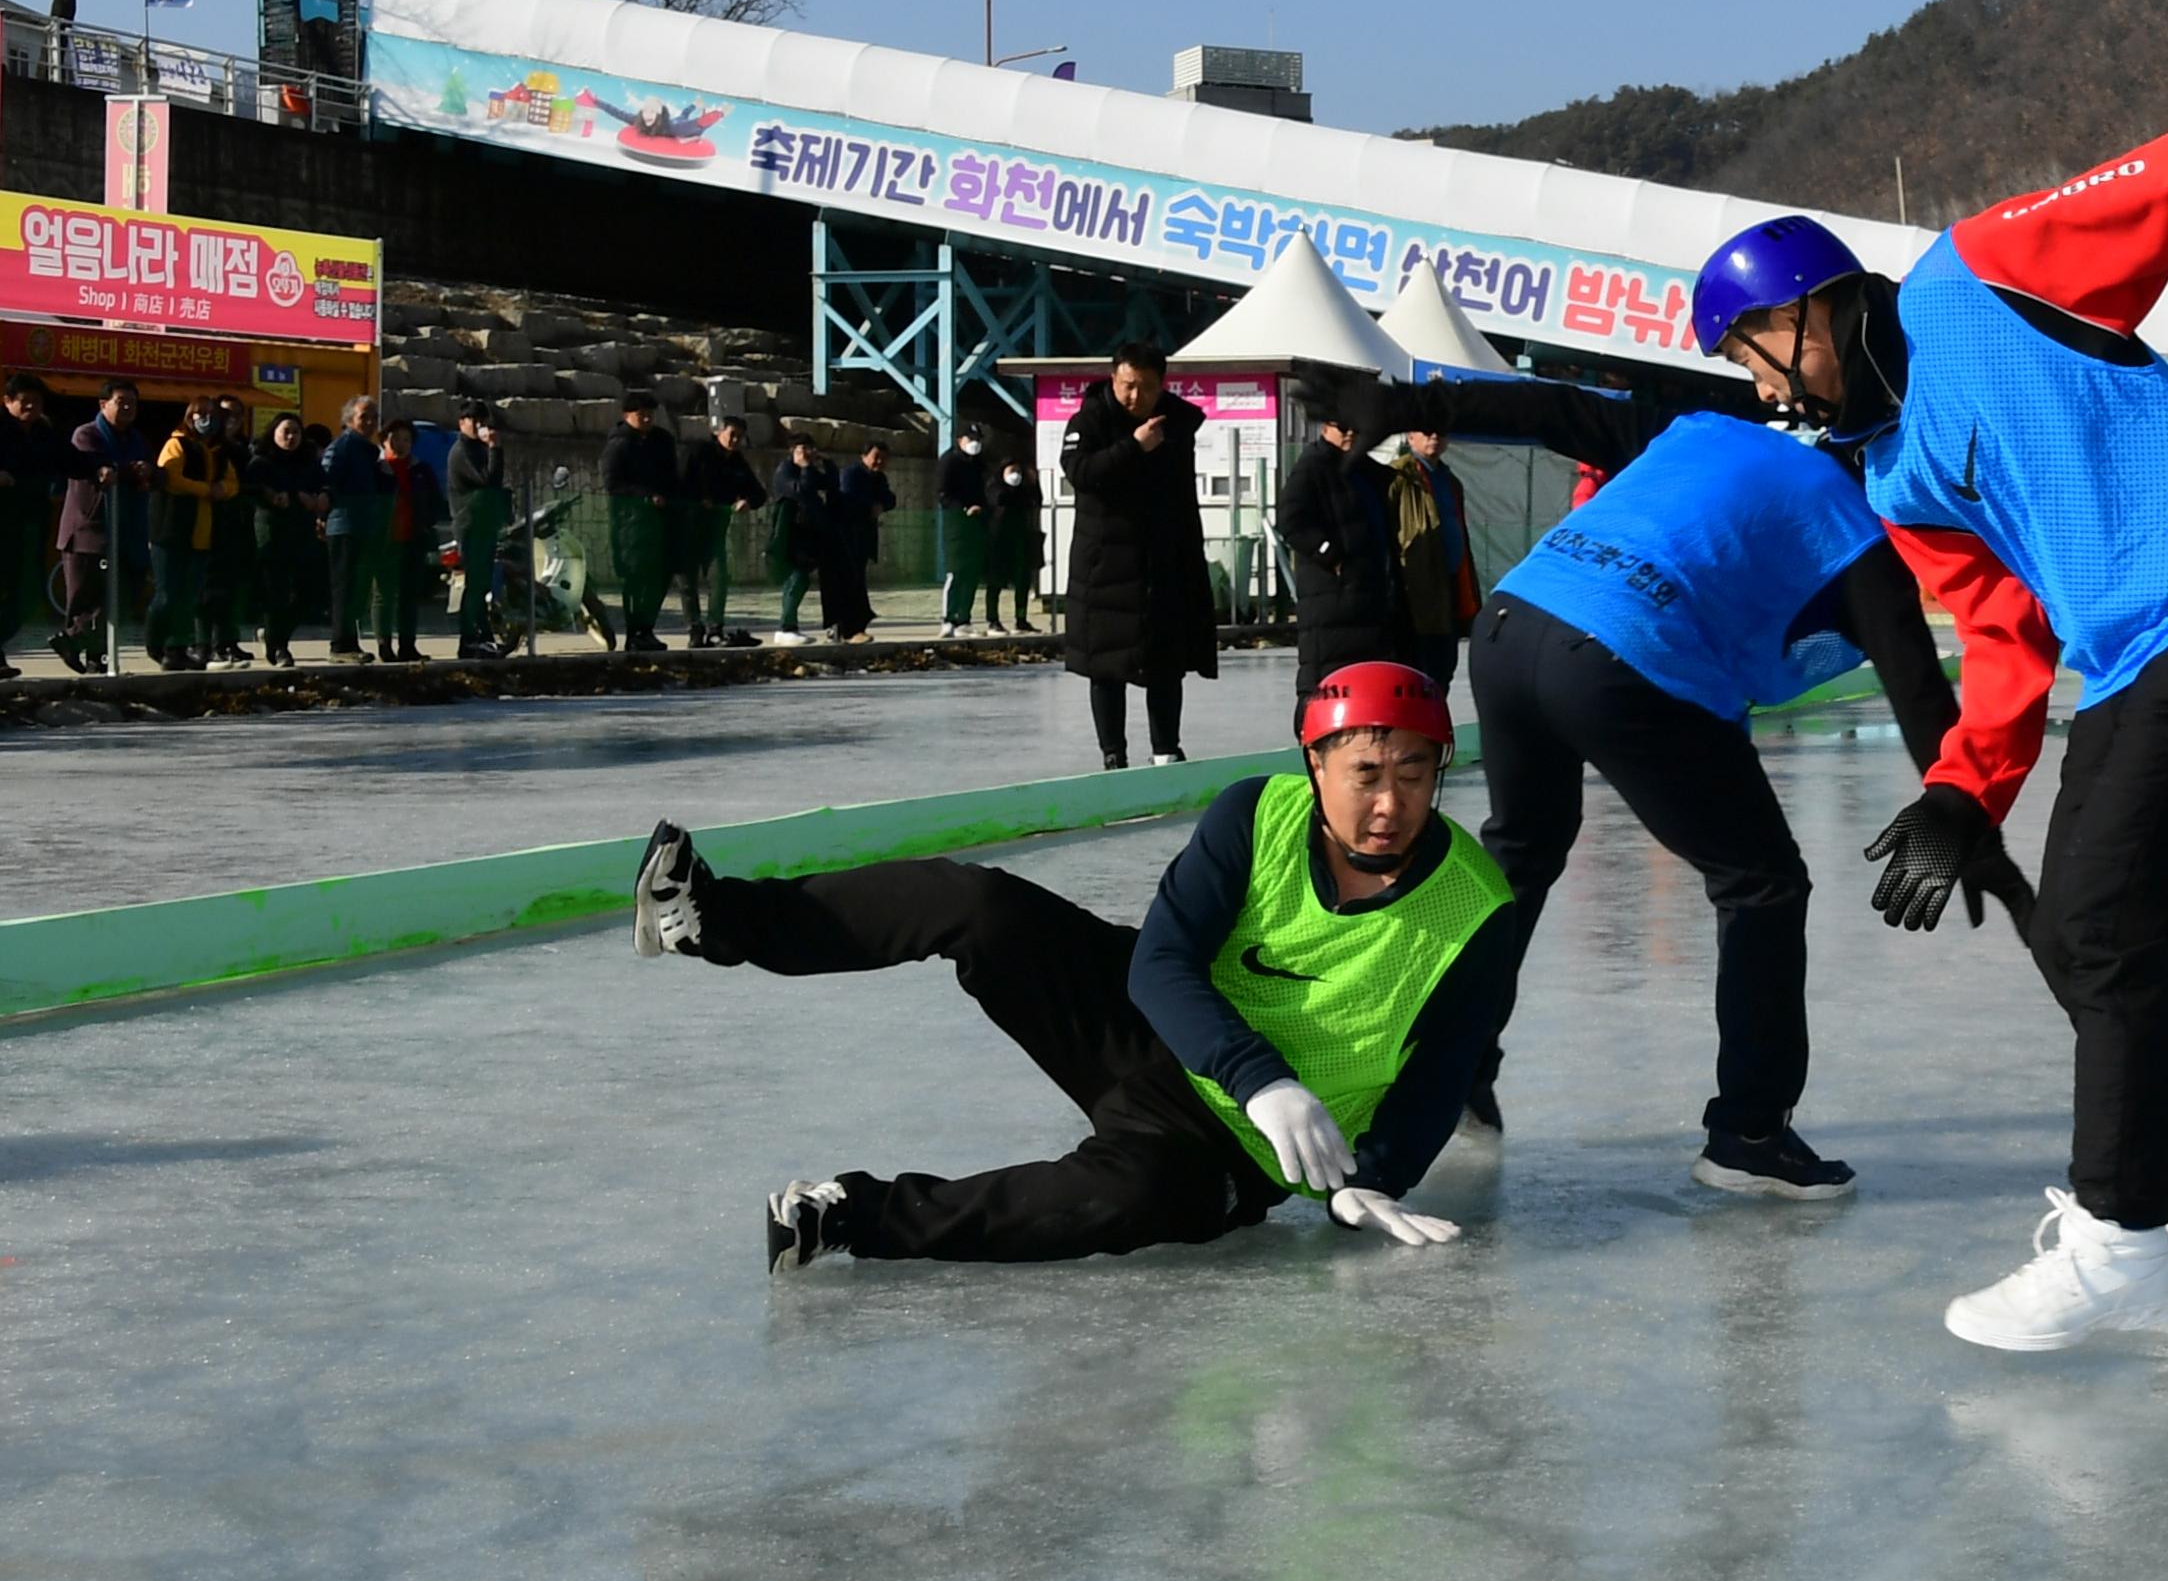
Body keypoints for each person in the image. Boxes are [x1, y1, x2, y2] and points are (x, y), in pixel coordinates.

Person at [1698, 0, 2168, 1350]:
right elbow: (2001, 639)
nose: (1764, 392)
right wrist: (1962, 792)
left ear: (1811, 311)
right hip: (2132, 653)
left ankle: (2120, 1237)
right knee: (2075, 929)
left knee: (2106, 924)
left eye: (1756, 357)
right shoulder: (1893, 471)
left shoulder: (1978, 273)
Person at [631, 661, 1518, 1267]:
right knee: (980, 907)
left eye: (1414, 772)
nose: (1388, 803)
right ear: (1314, 763)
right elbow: (1162, 962)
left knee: (1127, 1201)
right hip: (1148, 1033)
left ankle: (849, 1219)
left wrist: (1374, 1180)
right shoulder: (1256, 815)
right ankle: (714, 918)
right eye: (1365, 772)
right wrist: (1260, 1075)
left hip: (1235, 1152)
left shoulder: (1475, 909)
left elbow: (1443, 1065)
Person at [1339, 368, 1988, 1185]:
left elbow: (1556, 405)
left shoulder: (1710, 432)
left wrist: (1411, 403)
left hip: (1510, 624)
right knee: (1762, 885)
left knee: (1523, 852)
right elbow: (1918, 685)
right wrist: (1958, 803)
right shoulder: (1857, 531)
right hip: (1615, 653)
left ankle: (1452, 1069)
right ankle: (1748, 1133)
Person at [1061, 341, 1222, 766]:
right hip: (1106, 569)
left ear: (1161, 386)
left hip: (1163, 564)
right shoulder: (1089, 420)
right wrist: (1133, 446)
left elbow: (1184, 500)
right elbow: (1081, 473)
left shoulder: (1177, 425)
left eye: (1147, 388)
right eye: (1128, 386)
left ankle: (1166, 751)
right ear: (1114, 378)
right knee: (1106, 668)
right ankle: (1113, 755)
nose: (1136, 397)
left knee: (1166, 665)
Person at [1277, 400, 1403, 699]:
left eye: (1356, 429)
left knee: (1366, 677)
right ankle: (1311, 731)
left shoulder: (1363, 470)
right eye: (1342, 428)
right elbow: (1290, 519)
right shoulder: (1313, 466)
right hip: (1333, 595)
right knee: (1324, 676)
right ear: (1325, 427)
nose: (1350, 434)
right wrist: (1329, 555)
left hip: (1368, 594)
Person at [1, 370, 99, 680]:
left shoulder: (45, 434)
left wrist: (105, 470)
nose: (31, 407)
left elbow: (73, 461)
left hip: (31, 522)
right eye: (24, 402)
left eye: (37, 402)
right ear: (7, 402)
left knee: (26, 597)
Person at [55, 381, 157, 672]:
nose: (127, 408)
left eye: (133, 403)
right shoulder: (87, 434)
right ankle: (94, 660)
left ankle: (72, 641)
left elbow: (154, 472)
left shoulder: (137, 438)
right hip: (89, 531)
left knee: (125, 593)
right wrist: (128, 471)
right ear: (103, 404)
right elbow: (93, 466)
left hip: (127, 532)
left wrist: (149, 471)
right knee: (85, 599)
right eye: (120, 401)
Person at [148, 396, 241, 671]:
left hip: (202, 533)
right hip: (171, 531)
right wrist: (206, 490)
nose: (206, 420)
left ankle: (177, 648)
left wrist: (221, 490)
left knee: (189, 595)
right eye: (199, 414)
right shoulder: (177, 444)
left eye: (211, 414)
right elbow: (172, 480)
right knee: (167, 593)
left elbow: (232, 482)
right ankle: (155, 642)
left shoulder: (219, 450)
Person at [1387, 424, 1480, 691]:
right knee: (1416, 672)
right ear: (1410, 435)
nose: (1434, 436)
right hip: (1415, 593)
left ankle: (1435, 726)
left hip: (1449, 587)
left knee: (1442, 668)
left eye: (1440, 430)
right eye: (1426, 430)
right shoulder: (1397, 476)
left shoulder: (1450, 482)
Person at [677, 413, 765, 650]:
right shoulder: (697, 452)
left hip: (715, 530)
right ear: (719, 432)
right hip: (686, 527)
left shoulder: (737, 462)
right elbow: (678, 483)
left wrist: (747, 501)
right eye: (731, 435)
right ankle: (695, 629)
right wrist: (699, 499)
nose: (735, 440)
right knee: (688, 582)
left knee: (719, 578)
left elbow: (759, 493)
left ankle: (715, 628)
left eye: (740, 437)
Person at [246, 410, 327, 666]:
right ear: (274, 433)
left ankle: (275, 634)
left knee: (310, 592)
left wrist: (322, 496)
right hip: (272, 531)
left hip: (302, 531)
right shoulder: (261, 461)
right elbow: (251, 489)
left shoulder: (308, 461)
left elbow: (323, 484)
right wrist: (274, 496)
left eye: (296, 432)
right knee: (276, 592)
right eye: (286, 432)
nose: (291, 437)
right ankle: (278, 648)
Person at [602, 392, 680, 654]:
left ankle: (647, 629)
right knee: (636, 579)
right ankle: (634, 632)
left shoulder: (662, 441)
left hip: (663, 522)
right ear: (627, 416)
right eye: (640, 414)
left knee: (661, 577)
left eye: (650, 413)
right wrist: (645, 496)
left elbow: (673, 476)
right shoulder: (619, 444)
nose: (646, 418)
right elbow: (613, 483)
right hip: (631, 525)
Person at [320, 395, 392, 660]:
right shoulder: (343, 447)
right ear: (349, 420)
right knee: (345, 586)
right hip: (344, 525)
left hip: (364, 525)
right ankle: (340, 644)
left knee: (357, 589)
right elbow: (327, 480)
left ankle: (350, 641)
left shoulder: (369, 451)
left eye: (374, 417)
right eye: (364, 417)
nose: (370, 422)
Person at [449, 403, 513, 659]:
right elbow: (490, 478)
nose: (477, 424)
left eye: (481, 420)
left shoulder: (478, 449)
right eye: (471, 419)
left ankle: (483, 635)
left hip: (485, 524)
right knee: (475, 584)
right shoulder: (462, 451)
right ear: (461, 422)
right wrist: (495, 448)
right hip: (471, 524)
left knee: (484, 583)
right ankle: (470, 638)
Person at [202, 397, 259, 665]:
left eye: (237, 415)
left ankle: (229, 641)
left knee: (235, 587)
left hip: (240, 524)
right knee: (210, 588)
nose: (231, 420)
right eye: (225, 415)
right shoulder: (206, 446)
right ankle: (207, 644)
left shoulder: (247, 448)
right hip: (209, 523)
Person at [382, 416, 443, 664]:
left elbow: (435, 501)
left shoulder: (421, 469)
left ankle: (408, 645)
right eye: (395, 438)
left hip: (413, 538)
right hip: (385, 540)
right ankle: (384, 645)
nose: (401, 443)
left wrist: (426, 524)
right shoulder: (378, 468)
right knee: (383, 596)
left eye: (406, 439)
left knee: (409, 596)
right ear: (385, 440)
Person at [825, 442, 893, 641]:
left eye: (883, 458)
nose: (879, 462)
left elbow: (890, 498)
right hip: (844, 537)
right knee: (848, 583)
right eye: (876, 456)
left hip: (862, 538)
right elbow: (849, 498)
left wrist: (880, 505)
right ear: (864, 455)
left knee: (857, 582)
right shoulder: (851, 474)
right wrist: (871, 505)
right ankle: (846, 629)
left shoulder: (878, 478)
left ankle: (853, 629)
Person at [766, 437, 832, 642]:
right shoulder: (784, 471)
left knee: (800, 580)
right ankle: (786, 627)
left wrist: (827, 463)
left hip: (809, 535)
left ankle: (789, 626)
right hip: (790, 535)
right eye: (803, 449)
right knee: (796, 578)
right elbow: (800, 491)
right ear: (792, 450)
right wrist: (805, 467)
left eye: (811, 449)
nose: (807, 454)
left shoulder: (809, 472)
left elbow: (831, 483)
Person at [934, 419, 993, 640]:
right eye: (971, 439)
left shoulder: (979, 464)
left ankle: (964, 619)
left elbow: (986, 490)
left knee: (972, 573)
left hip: (977, 523)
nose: (975, 444)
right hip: (957, 523)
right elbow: (943, 493)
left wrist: (982, 509)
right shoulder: (949, 461)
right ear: (960, 440)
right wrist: (964, 508)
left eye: (978, 440)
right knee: (956, 572)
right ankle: (948, 618)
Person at [983, 449, 1044, 633]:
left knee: (1022, 581)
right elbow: (998, 499)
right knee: (996, 581)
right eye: (1011, 471)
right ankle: (993, 619)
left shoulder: (1025, 488)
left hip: (1022, 539)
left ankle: (1021, 619)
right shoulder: (995, 485)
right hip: (999, 540)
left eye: (1018, 471)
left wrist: (1034, 483)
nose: (1015, 475)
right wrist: (1012, 489)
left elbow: (1036, 501)